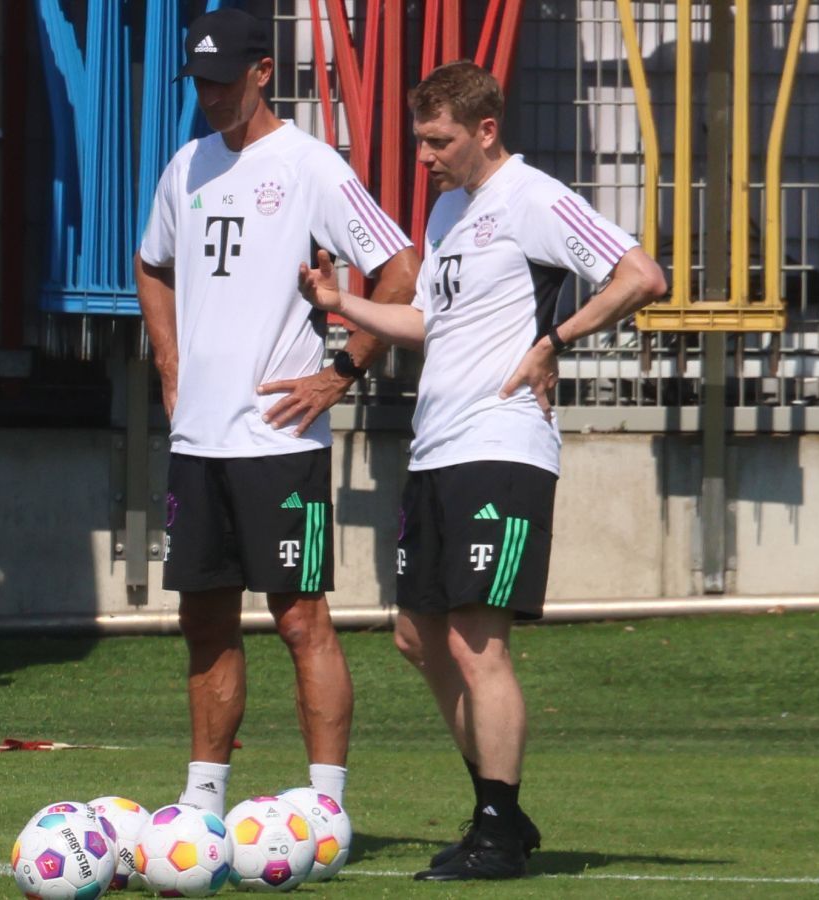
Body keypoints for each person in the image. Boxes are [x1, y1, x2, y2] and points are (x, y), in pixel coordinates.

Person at [299, 60, 668, 880]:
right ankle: (500, 809)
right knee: (414, 635)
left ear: (486, 130)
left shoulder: (533, 198)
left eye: (438, 140)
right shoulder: (448, 209)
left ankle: (497, 829)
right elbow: (433, 321)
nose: (424, 155)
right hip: (438, 446)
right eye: (420, 138)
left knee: (476, 643)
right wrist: (343, 304)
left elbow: (641, 275)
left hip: (501, 446)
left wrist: (556, 340)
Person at [136, 7, 419, 818]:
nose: (212, 95)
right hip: (198, 438)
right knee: (203, 622)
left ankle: (327, 808)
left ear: (264, 72)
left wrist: (340, 373)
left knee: (300, 620)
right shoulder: (184, 165)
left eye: (225, 80)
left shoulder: (310, 167)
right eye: (200, 81)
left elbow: (398, 267)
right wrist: (167, 358)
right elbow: (151, 263)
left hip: (278, 437)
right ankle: (201, 804)